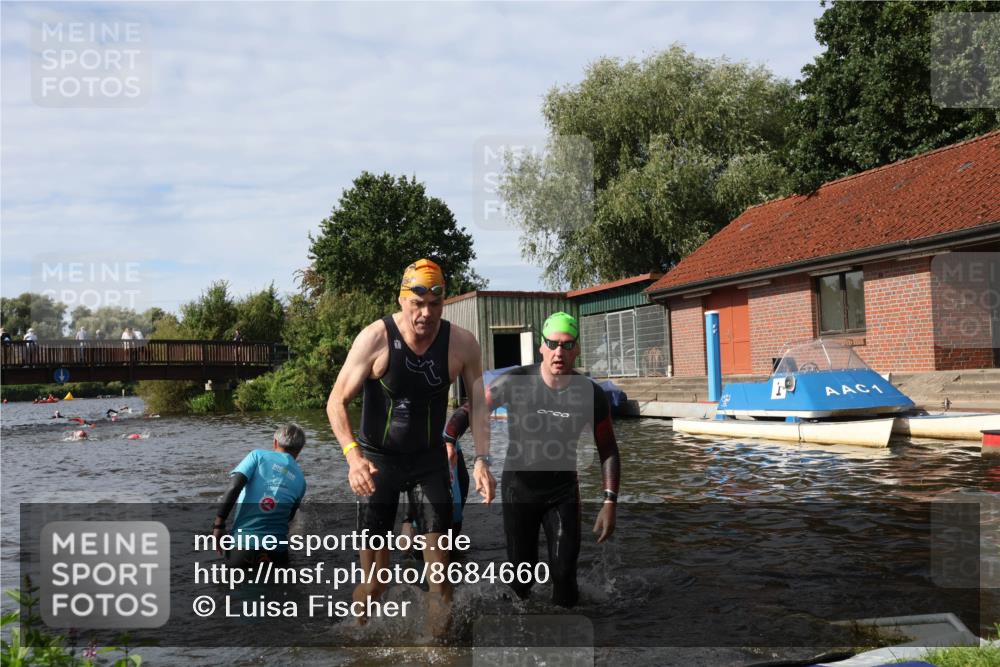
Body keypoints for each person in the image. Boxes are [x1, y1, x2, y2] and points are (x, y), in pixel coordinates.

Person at [326, 258, 495, 629]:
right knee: (376, 582)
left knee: (441, 580)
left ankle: (439, 652)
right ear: (402, 300)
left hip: (429, 462)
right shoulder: (375, 338)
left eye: (435, 304)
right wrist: (353, 457)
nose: (426, 314)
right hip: (377, 464)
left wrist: (483, 459)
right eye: (417, 304)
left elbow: (480, 403)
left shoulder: (462, 344)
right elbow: (336, 400)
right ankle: (356, 640)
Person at [466, 312, 621, 608]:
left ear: (576, 349)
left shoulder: (591, 394)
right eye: (552, 343)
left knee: (564, 574)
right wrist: (476, 458)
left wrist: (609, 503)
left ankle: (567, 643)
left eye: (567, 344)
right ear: (542, 347)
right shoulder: (515, 381)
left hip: (562, 492)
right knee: (521, 580)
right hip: (518, 491)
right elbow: (473, 410)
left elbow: (608, 450)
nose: (559, 351)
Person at [212, 424, 307, 567]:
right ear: (299, 450)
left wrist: (218, 525)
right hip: (277, 553)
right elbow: (289, 517)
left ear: (275, 442)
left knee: (235, 586)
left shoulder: (257, 456)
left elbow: (234, 487)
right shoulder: (301, 480)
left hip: (243, 548)